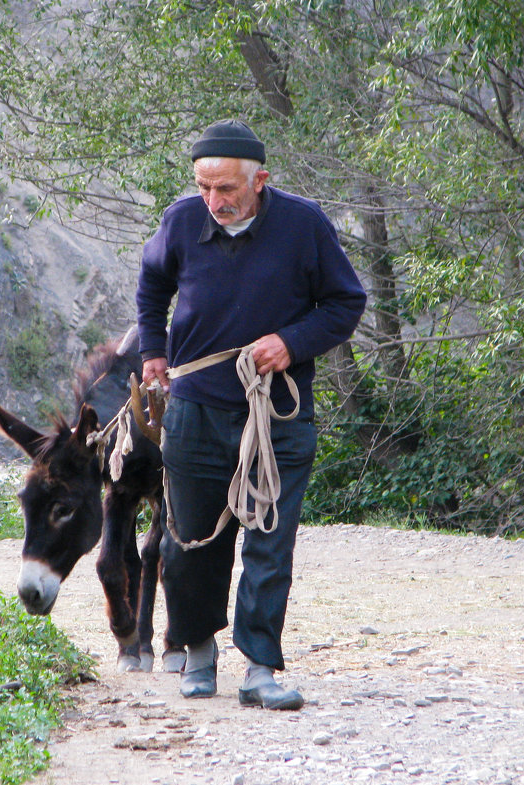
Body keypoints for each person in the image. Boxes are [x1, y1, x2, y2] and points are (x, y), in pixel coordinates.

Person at [136, 119, 366, 710]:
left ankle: (260, 665)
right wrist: (153, 350)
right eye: (204, 188)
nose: (213, 202)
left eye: (227, 190)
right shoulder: (182, 221)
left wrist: (292, 343)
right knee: (188, 540)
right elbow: (152, 285)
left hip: (277, 417)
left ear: (259, 181)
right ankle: (200, 650)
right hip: (194, 411)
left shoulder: (304, 225)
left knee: (270, 541)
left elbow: (345, 302)